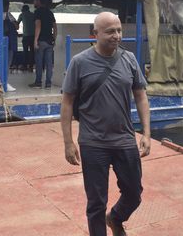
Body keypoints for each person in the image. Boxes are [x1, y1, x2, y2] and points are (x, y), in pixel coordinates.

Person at [60, 12, 151, 236]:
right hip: (93, 142)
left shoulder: (129, 59)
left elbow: (141, 96)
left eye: (119, 30)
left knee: (134, 192)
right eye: (110, 31)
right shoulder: (79, 62)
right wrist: (68, 143)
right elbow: (67, 103)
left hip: (124, 139)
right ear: (95, 34)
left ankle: (116, 217)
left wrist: (147, 133)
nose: (116, 36)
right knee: (96, 202)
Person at [29, 0, 57, 90]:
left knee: (39, 63)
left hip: (41, 41)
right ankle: (48, 84)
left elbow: (38, 26)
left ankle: (38, 83)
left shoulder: (37, 12)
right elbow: (55, 27)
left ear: (39, 0)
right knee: (49, 64)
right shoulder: (50, 13)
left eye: (34, 0)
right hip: (49, 42)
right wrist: (55, 39)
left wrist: (35, 40)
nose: (34, 2)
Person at [0, 0, 19, 92]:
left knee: (2, 62)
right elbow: (17, 26)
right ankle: (4, 83)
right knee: (6, 62)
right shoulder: (7, 15)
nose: (7, 8)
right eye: (6, 6)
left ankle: (1, 82)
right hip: (5, 41)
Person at [17, 4, 35, 72]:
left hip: (26, 35)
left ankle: (24, 65)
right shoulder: (33, 15)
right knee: (32, 51)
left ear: (23, 9)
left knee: (25, 51)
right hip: (33, 36)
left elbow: (17, 23)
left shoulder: (22, 15)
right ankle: (31, 66)